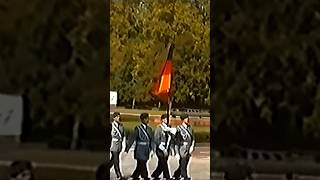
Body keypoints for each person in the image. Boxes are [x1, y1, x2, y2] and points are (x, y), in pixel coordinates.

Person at [125, 113, 154, 180]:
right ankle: (145, 176)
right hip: (139, 149)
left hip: (146, 149)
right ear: (142, 120)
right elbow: (132, 139)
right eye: (146, 119)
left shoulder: (149, 129)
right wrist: (127, 149)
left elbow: (152, 140)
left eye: (147, 118)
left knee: (141, 164)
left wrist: (152, 149)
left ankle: (135, 175)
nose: (147, 120)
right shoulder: (138, 129)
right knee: (142, 163)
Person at [172, 114, 195, 180]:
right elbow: (177, 142)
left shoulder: (190, 128)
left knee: (185, 163)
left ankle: (176, 174)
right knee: (183, 163)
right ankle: (184, 177)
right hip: (182, 148)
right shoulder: (179, 128)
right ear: (182, 120)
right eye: (186, 118)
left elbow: (193, 138)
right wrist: (176, 152)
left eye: (187, 118)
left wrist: (192, 146)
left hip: (188, 148)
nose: (187, 119)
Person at [151, 114, 174, 180]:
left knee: (161, 164)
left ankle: (155, 174)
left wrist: (171, 149)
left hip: (167, 148)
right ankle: (167, 177)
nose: (170, 120)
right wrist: (163, 149)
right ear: (163, 120)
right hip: (160, 149)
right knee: (164, 162)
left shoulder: (169, 128)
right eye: (168, 119)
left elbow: (171, 138)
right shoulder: (159, 128)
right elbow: (156, 139)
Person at [109, 112, 125, 180]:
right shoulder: (111, 126)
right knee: (116, 160)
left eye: (119, 116)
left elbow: (123, 135)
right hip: (113, 145)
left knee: (113, 160)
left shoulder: (121, 125)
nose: (119, 118)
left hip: (119, 145)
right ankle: (119, 175)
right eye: (117, 117)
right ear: (114, 118)